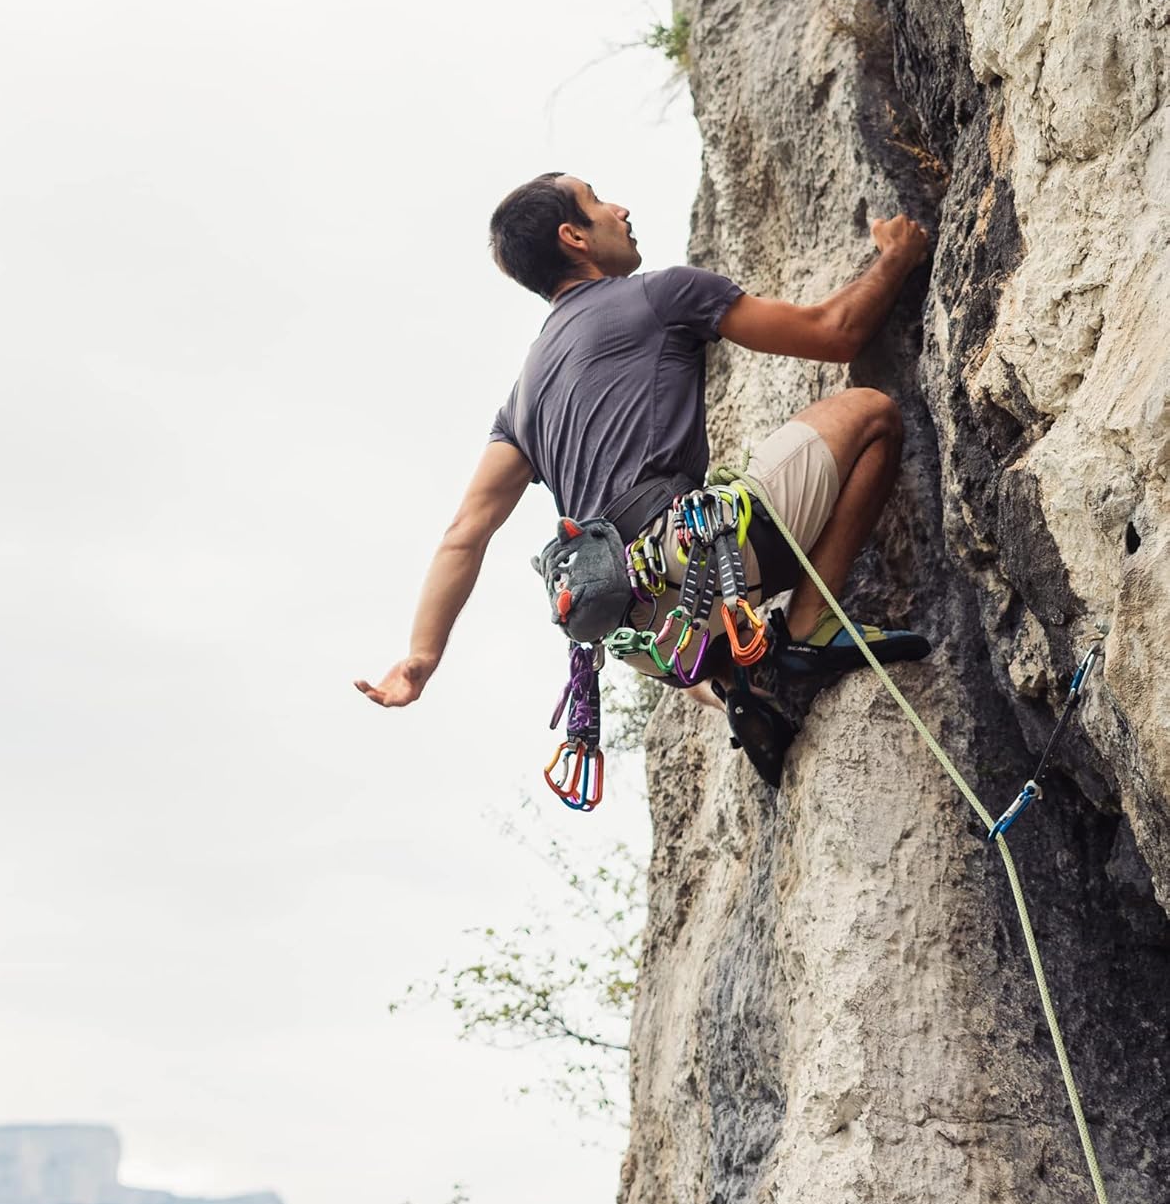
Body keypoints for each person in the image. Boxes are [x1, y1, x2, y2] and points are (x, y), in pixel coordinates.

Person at [354, 171, 931, 775]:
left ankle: (737, 683)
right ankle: (812, 623)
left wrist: (422, 656)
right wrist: (896, 256)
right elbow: (834, 333)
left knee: (661, 604)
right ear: (574, 237)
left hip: (642, 639)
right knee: (869, 413)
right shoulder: (661, 294)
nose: (620, 209)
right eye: (598, 201)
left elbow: (464, 533)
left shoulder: (521, 399)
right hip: (699, 561)